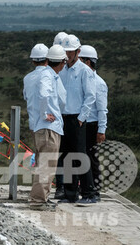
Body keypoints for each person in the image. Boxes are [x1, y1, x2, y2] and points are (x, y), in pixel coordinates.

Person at [27, 44, 67, 210]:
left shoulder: (40, 75)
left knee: (44, 164)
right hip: (48, 127)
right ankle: (38, 201)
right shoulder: (48, 76)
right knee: (46, 165)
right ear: (62, 62)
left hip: (42, 127)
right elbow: (45, 95)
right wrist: (45, 114)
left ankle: (42, 197)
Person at [57, 34, 96, 204]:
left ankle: (89, 193)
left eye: (70, 51)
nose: (67, 55)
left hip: (77, 119)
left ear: (78, 52)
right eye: (65, 51)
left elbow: (90, 96)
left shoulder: (84, 71)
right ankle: (69, 194)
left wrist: (82, 118)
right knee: (66, 156)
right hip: (63, 117)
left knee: (80, 156)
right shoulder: (62, 70)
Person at [80, 44, 107, 202]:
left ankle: (95, 191)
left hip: (93, 125)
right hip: (83, 124)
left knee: (92, 159)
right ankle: (84, 188)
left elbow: (102, 109)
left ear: (88, 62)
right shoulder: (83, 80)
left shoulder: (99, 83)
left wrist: (101, 130)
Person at [23, 43, 49, 131]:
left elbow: (26, 97)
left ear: (33, 61)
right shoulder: (51, 76)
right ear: (48, 59)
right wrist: (44, 115)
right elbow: (45, 95)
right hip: (47, 125)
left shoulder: (27, 78)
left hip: (33, 124)